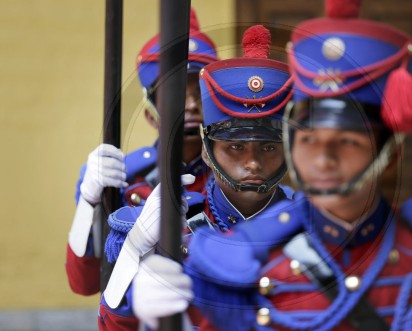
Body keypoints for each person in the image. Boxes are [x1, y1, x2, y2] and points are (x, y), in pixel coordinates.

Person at [133, 0, 412, 330]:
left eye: (347, 142)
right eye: (308, 140)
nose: (323, 159)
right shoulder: (236, 265)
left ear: (391, 154)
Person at [97, 25, 295, 330]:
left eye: (269, 147)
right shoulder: (169, 224)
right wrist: (134, 249)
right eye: (235, 147)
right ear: (206, 150)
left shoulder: (313, 221)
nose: (253, 162)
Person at [65, 8, 218, 296]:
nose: (192, 105)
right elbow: (83, 283)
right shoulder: (124, 176)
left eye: (199, 91)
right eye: (176, 93)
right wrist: (88, 203)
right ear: (149, 114)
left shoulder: (237, 174)